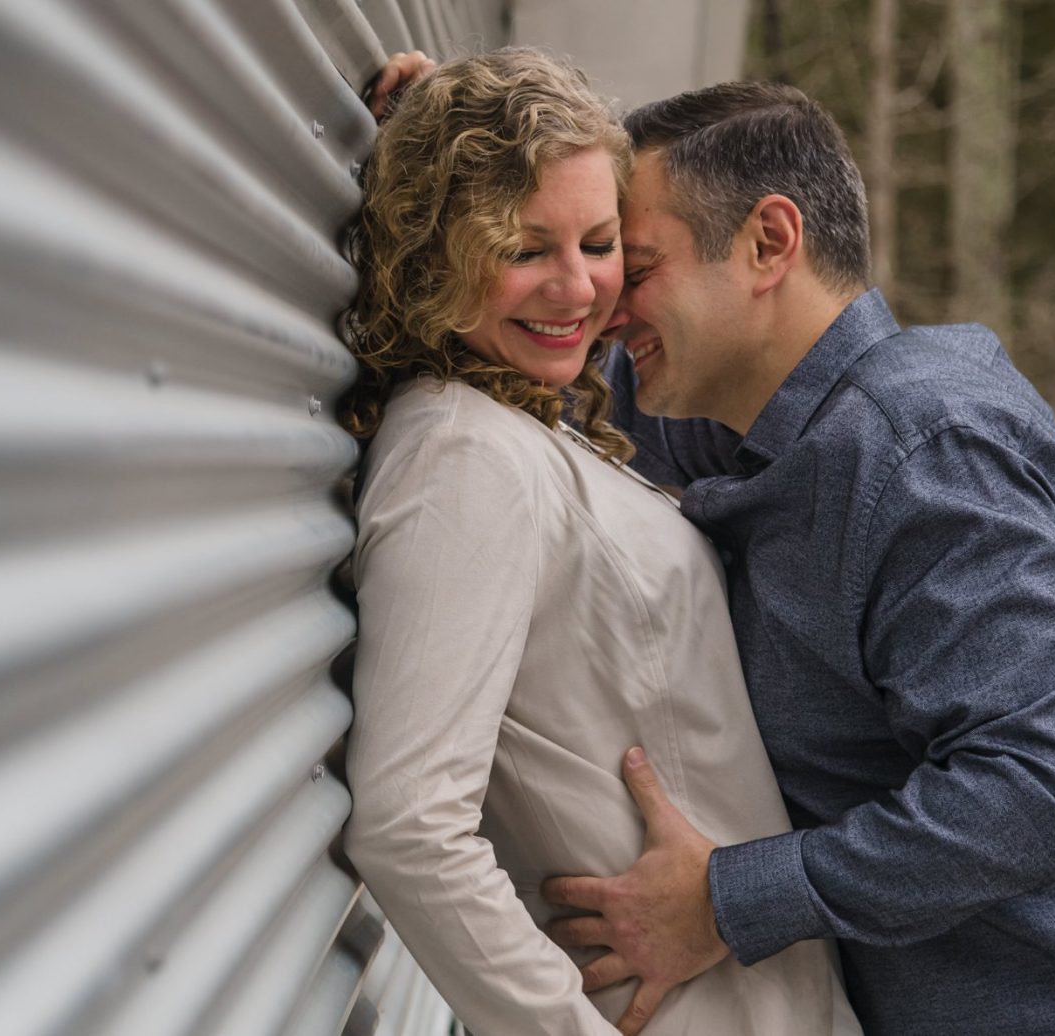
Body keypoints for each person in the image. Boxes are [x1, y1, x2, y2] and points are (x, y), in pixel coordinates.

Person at [526, 83, 1055, 1035]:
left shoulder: (922, 452)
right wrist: (472, 140)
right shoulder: (761, 429)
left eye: (633, 267)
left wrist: (725, 902)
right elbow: (563, 388)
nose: (607, 309)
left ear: (769, 242)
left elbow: (1041, 790)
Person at [339, 48, 860, 1036]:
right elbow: (408, 826)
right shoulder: (465, 456)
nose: (579, 288)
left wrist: (462, 116)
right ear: (438, 248)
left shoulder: (535, 422)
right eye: (526, 248)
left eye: (599, 240)